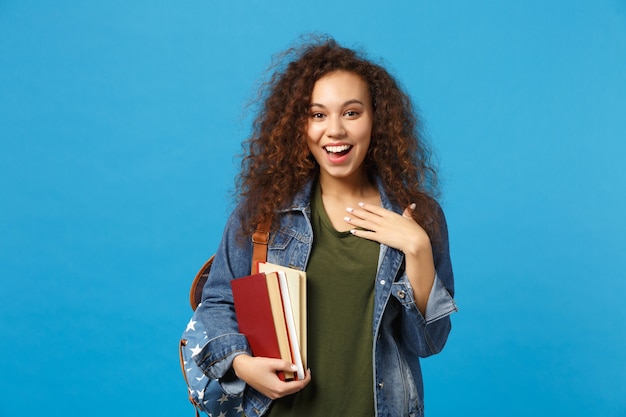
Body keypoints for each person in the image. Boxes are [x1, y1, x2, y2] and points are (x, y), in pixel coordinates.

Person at [194, 36, 458, 417]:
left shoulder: (418, 217)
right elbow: (217, 302)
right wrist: (242, 365)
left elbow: (429, 343)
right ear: (298, 125)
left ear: (376, 120)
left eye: (351, 113)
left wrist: (417, 249)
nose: (334, 130)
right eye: (317, 114)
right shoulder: (263, 214)